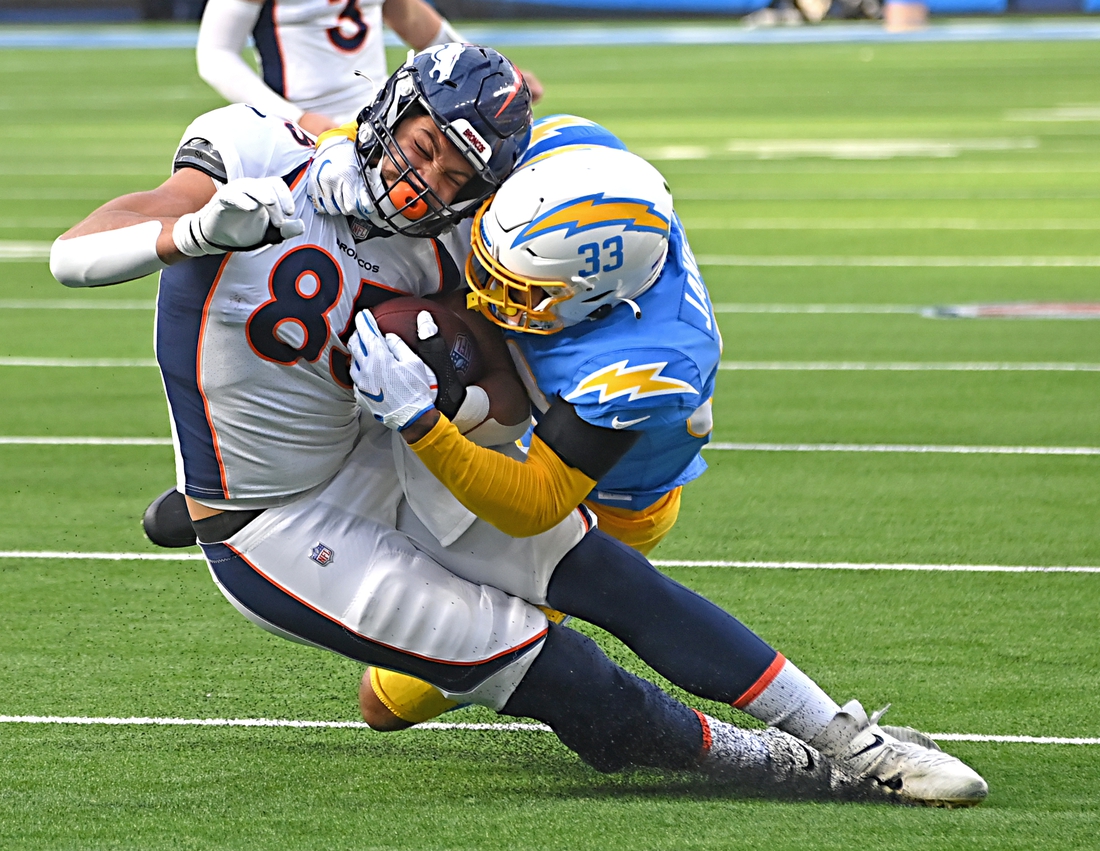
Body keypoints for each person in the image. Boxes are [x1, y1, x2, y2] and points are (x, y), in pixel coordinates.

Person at [50, 46, 986, 806]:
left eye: (454, 176)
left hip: (375, 448)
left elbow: (501, 389)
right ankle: (783, 768)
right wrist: (194, 233)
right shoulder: (258, 151)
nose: (423, 184)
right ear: (389, 111)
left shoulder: (454, 240)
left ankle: (849, 737)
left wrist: (439, 408)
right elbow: (74, 253)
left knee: (604, 574)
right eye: (421, 149)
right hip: (273, 525)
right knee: (556, 667)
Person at [359, 115, 722, 729]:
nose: (484, 292)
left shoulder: (646, 367)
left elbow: (536, 503)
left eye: (517, 291)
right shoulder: (569, 153)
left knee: (385, 704)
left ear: (595, 299)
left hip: (602, 502)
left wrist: (417, 420)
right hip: (530, 404)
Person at [195, 0, 543, 137]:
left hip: (380, 122)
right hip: (297, 134)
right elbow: (215, 56)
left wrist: (489, 71)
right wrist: (297, 117)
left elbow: (411, 19)